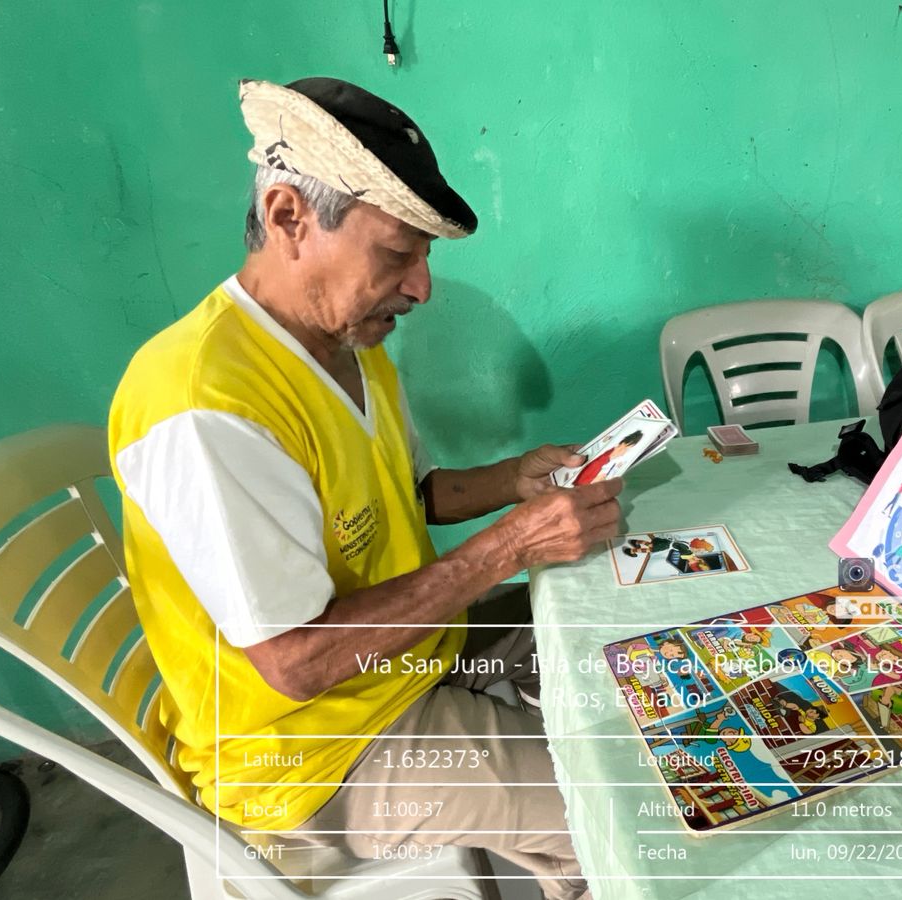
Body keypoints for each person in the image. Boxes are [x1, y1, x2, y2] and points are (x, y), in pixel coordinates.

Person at [108, 77, 617, 899]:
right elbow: (297, 663)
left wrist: (510, 481)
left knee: (620, 642)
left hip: (403, 658)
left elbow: (402, 496)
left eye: (425, 258)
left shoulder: (351, 342)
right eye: (397, 254)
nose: (421, 288)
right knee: (624, 806)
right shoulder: (205, 405)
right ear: (288, 217)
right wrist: (509, 547)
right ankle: (584, 859)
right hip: (313, 751)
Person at [573, 430, 643, 485]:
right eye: (627, 447)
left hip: (600, 463)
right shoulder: (620, 448)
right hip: (598, 464)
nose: (625, 452)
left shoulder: (615, 451)